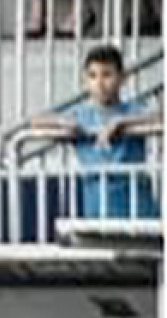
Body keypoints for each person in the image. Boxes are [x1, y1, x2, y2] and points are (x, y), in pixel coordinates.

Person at [28, 45, 162, 220]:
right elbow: (35, 121)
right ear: (85, 80)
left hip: (137, 206)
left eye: (107, 75)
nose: (99, 83)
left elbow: (160, 117)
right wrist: (63, 122)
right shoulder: (81, 114)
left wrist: (123, 122)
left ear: (122, 78)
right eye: (93, 76)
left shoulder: (132, 109)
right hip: (97, 207)